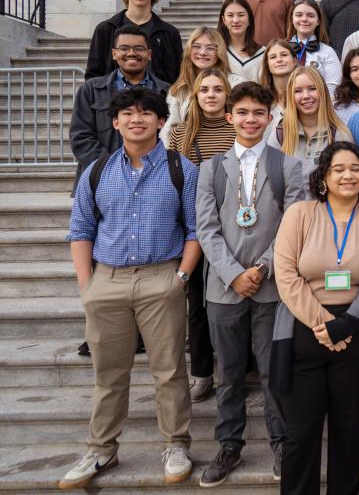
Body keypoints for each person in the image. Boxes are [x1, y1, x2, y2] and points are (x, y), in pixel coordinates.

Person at [60, 88, 199, 489]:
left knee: (170, 370)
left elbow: (194, 229)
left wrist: (181, 278)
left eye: (145, 113)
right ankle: (101, 448)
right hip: (108, 279)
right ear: (116, 122)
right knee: (108, 373)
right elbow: (81, 229)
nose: (137, 119)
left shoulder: (181, 169)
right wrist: (88, 285)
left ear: (160, 121)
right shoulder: (97, 170)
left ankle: (175, 444)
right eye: (127, 113)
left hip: (162, 277)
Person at [195, 81, 306, 486]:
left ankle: (281, 440)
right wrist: (233, 274)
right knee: (229, 371)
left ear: (270, 116)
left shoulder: (288, 166)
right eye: (242, 112)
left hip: (273, 285)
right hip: (224, 288)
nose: (250, 119)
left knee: (276, 369)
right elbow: (206, 229)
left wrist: (260, 269)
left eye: (258, 113)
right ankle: (229, 443)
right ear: (229, 117)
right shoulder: (212, 167)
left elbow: (293, 226)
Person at [272, 142, 359, 494]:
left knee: (347, 430)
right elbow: (285, 274)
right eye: (338, 169)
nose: (347, 175)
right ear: (323, 177)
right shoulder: (300, 213)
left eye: (355, 168)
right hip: (303, 329)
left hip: (357, 331)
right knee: (300, 434)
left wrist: (345, 326)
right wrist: (324, 323)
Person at [166, 68, 234, 403]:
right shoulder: (181, 132)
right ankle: (202, 372)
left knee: (234, 300)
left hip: (233, 227)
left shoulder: (238, 128)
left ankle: (240, 366)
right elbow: (172, 180)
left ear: (226, 94)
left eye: (217, 89)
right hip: (192, 228)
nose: (210, 94)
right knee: (197, 304)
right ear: (195, 94)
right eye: (204, 89)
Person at [71, 25, 171, 188]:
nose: (131, 53)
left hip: (155, 179)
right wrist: (114, 167)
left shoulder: (167, 91)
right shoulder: (91, 90)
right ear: (114, 54)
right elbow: (81, 137)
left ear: (149, 54)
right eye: (124, 48)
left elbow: (172, 137)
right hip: (101, 179)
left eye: (139, 48)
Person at [86, 0, 183, 83]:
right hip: (114, 99)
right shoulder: (106, 29)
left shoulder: (169, 33)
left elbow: (178, 75)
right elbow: (93, 77)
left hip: (158, 99)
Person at [161, 27, 245, 143]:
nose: (203, 52)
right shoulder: (179, 90)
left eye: (210, 48)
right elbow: (171, 128)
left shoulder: (237, 84)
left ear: (219, 52)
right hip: (190, 154)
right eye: (196, 46)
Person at [267, 66, 353, 174]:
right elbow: (270, 178)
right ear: (290, 96)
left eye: (312, 89)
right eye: (298, 91)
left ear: (323, 92)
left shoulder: (339, 133)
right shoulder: (280, 134)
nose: (305, 96)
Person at [286, 0, 343, 95]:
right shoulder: (282, 51)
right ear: (292, 19)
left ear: (318, 21)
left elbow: (333, 89)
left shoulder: (328, 52)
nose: (304, 19)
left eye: (310, 15)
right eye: (299, 15)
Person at [218, 0, 266, 82]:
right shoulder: (216, 51)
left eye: (241, 15)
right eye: (230, 15)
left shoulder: (263, 53)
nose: (235, 20)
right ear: (224, 20)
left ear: (249, 19)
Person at [258, 40, 297, 131]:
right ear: (267, 65)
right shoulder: (260, 99)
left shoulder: (304, 96)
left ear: (294, 61)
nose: (279, 60)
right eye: (273, 57)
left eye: (284, 55)